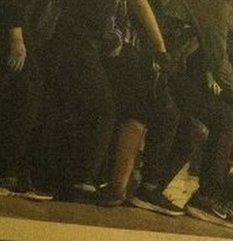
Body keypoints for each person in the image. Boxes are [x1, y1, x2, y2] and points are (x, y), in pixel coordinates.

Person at [131, 0, 233, 221]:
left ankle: (151, 186)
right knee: (225, 117)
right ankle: (205, 198)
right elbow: (218, 57)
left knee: (191, 130)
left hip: (167, 65)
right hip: (157, 64)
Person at [45, 0, 174, 205]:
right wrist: (160, 47)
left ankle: (98, 182)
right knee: (108, 110)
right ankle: (95, 183)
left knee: (103, 110)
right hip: (90, 39)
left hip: (98, 41)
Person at [0, 0, 59, 201]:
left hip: (29, 34)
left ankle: (4, 173)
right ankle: (4, 175)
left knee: (21, 103)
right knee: (20, 104)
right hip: (17, 31)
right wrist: (16, 34)